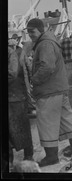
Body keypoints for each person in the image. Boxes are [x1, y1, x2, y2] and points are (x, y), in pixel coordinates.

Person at [26, 18, 72, 167]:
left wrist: (34, 81)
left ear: (40, 30)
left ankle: (51, 157)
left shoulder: (44, 44)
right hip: (59, 88)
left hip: (49, 91)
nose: (30, 35)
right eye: (28, 32)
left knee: (47, 122)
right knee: (67, 118)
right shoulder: (51, 41)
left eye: (32, 31)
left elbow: (47, 67)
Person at [8, 40, 34, 168]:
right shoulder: (17, 52)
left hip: (15, 96)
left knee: (21, 126)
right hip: (16, 95)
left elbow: (12, 73)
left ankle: (28, 156)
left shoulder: (11, 53)